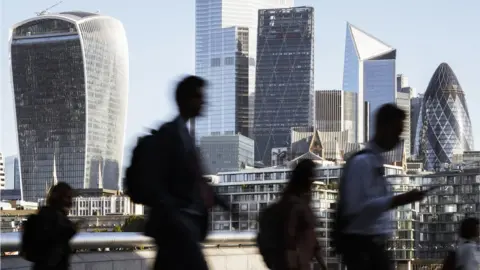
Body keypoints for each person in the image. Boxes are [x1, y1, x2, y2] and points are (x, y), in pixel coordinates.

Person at [144, 75, 229, 270]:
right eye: (199, 97)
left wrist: (223, 203)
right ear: (186, 100)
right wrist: (175, 212)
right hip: (178, 229)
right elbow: (160, 182)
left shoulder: (185, 136)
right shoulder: (171, 135)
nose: (204, 101)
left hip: (182, 229)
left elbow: (195, 181)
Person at [339, 103, 427, 270]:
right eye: (396, 132)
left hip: (375, 248)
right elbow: (355, 207)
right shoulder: (362, 163)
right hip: (363, 250)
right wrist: (399, 200)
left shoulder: (376, 162)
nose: (398, 139)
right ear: (383, 127)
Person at [276, 159, 327, 270]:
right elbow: (290, 238)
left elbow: (312, 238)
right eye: (311, 176)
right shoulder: (295, 203)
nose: (313, 179)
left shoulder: (300, 201)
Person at [32, 182, 79, 270]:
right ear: (60, 198)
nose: (70, 202)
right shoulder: (56, 218)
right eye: (68, 197)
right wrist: (72, 228)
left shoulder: (43, 214)